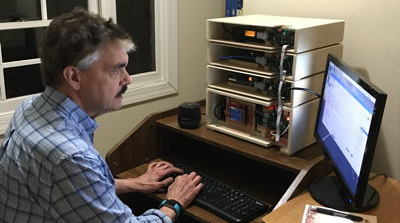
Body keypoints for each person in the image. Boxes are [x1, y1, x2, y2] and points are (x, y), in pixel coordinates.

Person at [0, 7, 203, 223]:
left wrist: (134, 183)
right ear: (74, 77)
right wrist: (174, 202)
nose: (128, 79)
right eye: (117, 69)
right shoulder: (70, 157)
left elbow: (73, 190)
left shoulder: (31, 107)